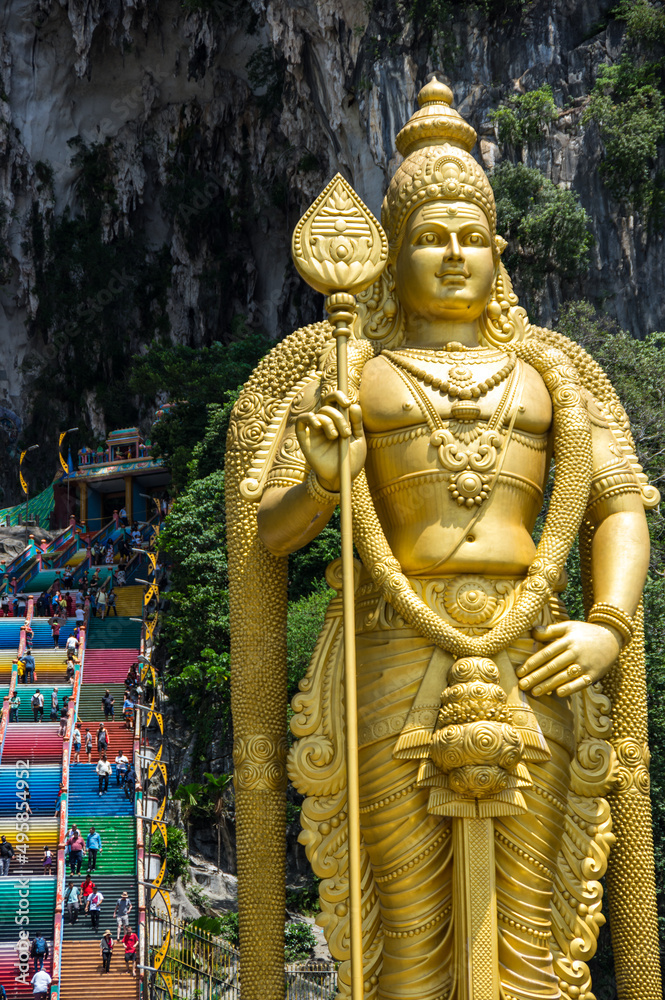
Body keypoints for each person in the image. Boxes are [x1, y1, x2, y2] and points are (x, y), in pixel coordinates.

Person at [235, 81, 662, 999]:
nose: (454, 254)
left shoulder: (551, 373)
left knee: (533, 925)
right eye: (432, 236)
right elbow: (269, 535)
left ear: (499, 251)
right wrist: (319, 479)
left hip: (532, 650)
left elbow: (620, 506)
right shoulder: (351, 374)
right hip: (391, 652)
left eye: (472, 235)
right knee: (409, 925)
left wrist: (608, 624)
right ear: (393, 254)